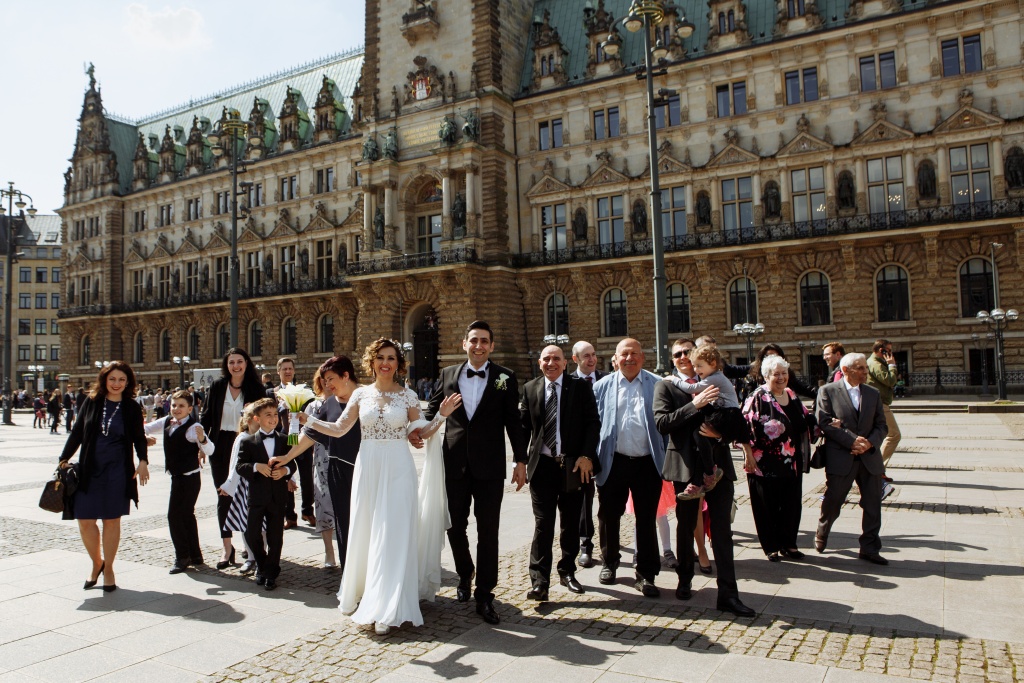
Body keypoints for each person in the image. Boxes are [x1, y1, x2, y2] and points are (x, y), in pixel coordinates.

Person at [296, 338, 459, 634]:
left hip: (398, 468)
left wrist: (441, 416)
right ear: (371, 362)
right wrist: (310, 421)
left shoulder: (408, 396)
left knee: (393, 534)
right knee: (370, 532)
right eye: (381, 357)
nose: (386, 363)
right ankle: (368, 594)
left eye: (391, 358)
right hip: (368, 468)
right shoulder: (361, 394)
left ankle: (389, 606)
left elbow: (422, 432)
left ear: (398, 364)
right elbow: (340, 428)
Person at [425, 321, 529, 625]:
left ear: (491, 346)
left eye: (484, 341)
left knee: (488, 531)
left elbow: (513, 422)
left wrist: (520, 460)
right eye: (474, 340)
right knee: (454, 526)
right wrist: (421, 427)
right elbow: (430, 412)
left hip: (490, 467)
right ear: (464, 344)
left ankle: (485, 594)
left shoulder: (505, 377)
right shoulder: (448, 374)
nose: (479, 346)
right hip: (454, 464)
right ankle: (465, 572)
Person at [654, 338, 755, 617]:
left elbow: (734, 421)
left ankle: (729, 594)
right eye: (677, 354)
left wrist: (721, 435)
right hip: (685, 468)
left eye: (688, 352)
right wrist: (694, 405)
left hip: (719, 466)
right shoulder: (666, 386)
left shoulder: (714, 380)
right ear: (672, 359)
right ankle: (685, 579)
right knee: (686, 527)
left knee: (722, 530)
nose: (683, 356)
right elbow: (662, 423)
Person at [59, 361, 149, 592]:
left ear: (128, 383)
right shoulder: (92, 402)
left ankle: (108, 569)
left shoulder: (131, 407)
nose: (116, 383)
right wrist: (64, 458)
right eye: (112, 379)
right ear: (104, 380)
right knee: (85, 520)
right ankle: (96, 562)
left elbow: (139, 436)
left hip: (118, 470)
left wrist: (143, 461)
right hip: (90, 468)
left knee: (111, 519)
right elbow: (77, 432)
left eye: (121, 379)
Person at [519, 345, 599, 602]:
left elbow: (592, 423)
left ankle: (567, 571)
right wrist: (519, 461)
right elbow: (523, 428)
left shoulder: (580, 387)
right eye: (546, 359)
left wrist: (587, 456)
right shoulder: (530, 388)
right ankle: (539, 582)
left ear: (565, 363)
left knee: (570, 523)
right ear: (539, 363)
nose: (551, 363)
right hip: (542, 466)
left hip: (573, 466)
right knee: (543, 524)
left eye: (556, 359)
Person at [593, 338, 666, 598]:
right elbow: (592, 424)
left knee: (646, 518)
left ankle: (646, 574)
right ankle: (609, 562)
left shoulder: (657, 384)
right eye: (624, 354)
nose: (629, 358)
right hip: (613, 461)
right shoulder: (602, 386)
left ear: (643, 357)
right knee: (608, 515)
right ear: (615, 359)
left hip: (648, 462)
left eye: (634, 353)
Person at [275, 359, 362, 569]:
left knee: (365, 522)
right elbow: (309, 435)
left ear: (345, 375)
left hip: (365, 468)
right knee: (343, 522)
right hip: (337, 469)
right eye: (324, 380)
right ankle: (349, 572)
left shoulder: (366, 397)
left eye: (330, 379)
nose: (327, 384)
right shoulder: (328, 404)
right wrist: (286, 458)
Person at [814, 353, 889, 565]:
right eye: (861, 368)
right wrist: (852, 441)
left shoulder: (873, 393)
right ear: (846, 370)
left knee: (873, 504)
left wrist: (869, 443)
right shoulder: (827, 391)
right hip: (841, 456)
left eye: (866, 367)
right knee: (834, 500)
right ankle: (822, 531)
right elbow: (824, 422)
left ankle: (869, 547)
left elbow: (882, 426)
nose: (866, 371)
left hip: (869, 458)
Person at [739, 355, 815, 562]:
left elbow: (805, 419)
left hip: (792, 461)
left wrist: (824, 424)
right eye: (776, 374)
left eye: (784, 373)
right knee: (767, 506)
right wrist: (748, 455)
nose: (781, 377)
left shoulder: (791, 394)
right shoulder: (757, 397)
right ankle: (771, 546)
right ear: (766, 376)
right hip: (764, 463)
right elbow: (744, 429)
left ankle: (789, 544)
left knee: (791, 505)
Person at [200, 347, 267, 569]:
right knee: (224, 494)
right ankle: (227, 547)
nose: (235, 366)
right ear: (226, 365)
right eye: (231, 362)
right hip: (220, 445)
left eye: (239, 361)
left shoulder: (256, 388)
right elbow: (206, 417)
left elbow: (263, 420)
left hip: (246, 444)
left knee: (248, 497)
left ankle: (251, 545)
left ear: (246, 364)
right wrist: (202, 445)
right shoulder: (218, 386)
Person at [663, 345, 749, 500]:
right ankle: (700, 481)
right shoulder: (713, 376)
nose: (696, 370)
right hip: (721, 414)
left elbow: (692, 388)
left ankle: (710, 472)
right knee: (701, 439)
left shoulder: (715, 377)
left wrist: (674, 379)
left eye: (699, 366)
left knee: (700, 434)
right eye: (694, 365)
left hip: (726, 415)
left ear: (713, 364)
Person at [143, 390, 215, 573]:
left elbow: (210, 450)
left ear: (190, 409)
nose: (176, 409)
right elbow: (146, 428)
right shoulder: (168, 421)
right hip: (177, 476)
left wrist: (202, 439)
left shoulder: (193, 427)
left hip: (189, 478)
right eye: (174, 405)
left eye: (181, 406)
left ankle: (182, 556)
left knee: (174, 516)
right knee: (187, 515)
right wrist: (143, 437)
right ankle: (195, 555)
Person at [236, 398, 297, 591]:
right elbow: (240, 466)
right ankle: (262, 565)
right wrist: (256, 466)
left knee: (275, 537)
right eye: (267, 415)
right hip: (257, 496)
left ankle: (270, 573)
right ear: (257, 418)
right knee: (252, 533)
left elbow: (293, 463)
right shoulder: (248, 441)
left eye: (275, 415)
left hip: (278, 497)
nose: (273, 418)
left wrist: (285, 471)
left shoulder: (285, 439)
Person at [571, 340, 606, 569]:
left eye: (593, 354)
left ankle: (609, 544)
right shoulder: (569, 383)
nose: (592, 359)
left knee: (608, 499)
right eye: (586, 356)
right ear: (575, 359)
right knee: (584, 498)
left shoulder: (607, 379)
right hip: (583, 450)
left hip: (606, 447)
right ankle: (585, 544)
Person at [271, 356, 315, 529]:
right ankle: (290, 516)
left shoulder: (304, 390)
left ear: (294, 371)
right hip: (283, 440)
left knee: (307, 477)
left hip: (301, 439)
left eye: (290, 368)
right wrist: (280, 408)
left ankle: (307, 511)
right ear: (278, 372)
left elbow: (311, 411)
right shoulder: (272, 392)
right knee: (285, 476)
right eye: (284, 369)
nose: (288, 371)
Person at [220, 403, 262, 574]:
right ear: (250, 420)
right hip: (246, 486)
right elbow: (235, 464)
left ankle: (262, 557)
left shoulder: (270, 436)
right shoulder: (242, 438)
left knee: (264, 525)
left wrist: (290, 478)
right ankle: (251, 556)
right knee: (247, 522)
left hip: (266, 485)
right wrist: (229, 485)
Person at [867, 339, 900, 499]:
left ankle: (877, 469)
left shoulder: (876, 362)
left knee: (879, 436)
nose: (891, 354)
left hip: (878, 403)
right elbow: (890, 380)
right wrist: (892, 365)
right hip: (879, 404)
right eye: (889, 350)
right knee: (894, 435)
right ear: (882, 350)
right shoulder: (875, 363)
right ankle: (878, 468)